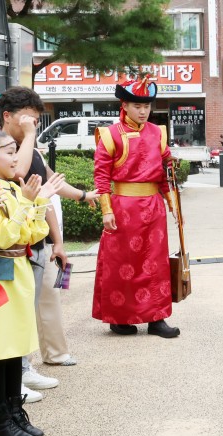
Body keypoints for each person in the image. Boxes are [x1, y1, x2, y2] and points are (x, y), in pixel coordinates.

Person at [0, 128, 61, 436]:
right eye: (11, 151)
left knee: (15, 347)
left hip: (16, 270)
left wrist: (35, 202)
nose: (17, 158)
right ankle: (0, 418)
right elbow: (3, 237)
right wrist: (29, 204)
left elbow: (35, 232)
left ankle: (14, 412)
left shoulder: (9, 187)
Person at [0, 87, 88, 395]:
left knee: (40, 301)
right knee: (16, 311)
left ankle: (26, 367)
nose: (33, 125)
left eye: (36, 121)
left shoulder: (30, 149)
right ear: (7, 116)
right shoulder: (0, 150)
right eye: (28, 119)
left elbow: (49, 188)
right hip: (10, 246)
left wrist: (83, 197)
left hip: (38, 241)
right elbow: (20, 172)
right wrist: (28, 136)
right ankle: (16, 375)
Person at [92, 77, 180, 338]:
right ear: (125, 105)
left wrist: (173, 204)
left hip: (153, 209)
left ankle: (157, 318)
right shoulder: (109, 135)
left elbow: (167, 173)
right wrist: (106, 210)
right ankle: (119, 319)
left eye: (147, 106)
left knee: (155, 264)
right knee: (122, 264)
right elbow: (101, 177)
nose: (143, 111)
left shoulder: (158, 133)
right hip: (123, 210)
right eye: (137, 106)